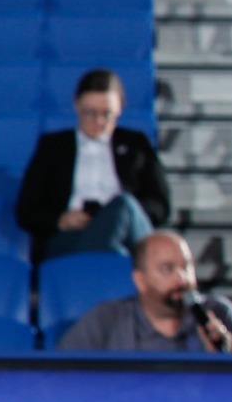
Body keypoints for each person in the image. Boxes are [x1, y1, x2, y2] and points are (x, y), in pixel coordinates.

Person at [16, 68, 168, 260]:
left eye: (107, 114)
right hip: (72, 237)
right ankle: (118, 262)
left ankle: (111, 256)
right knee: (126, 255)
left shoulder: (136, 144)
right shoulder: (53, 147)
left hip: (128, 236)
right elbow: (26, 211)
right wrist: (61, 220)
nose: (98, 121)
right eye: (90, 112)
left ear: (120, 107)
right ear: (77, 105)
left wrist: (118, 217)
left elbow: (160, 204)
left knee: (124, 205)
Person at [57, 232, 232, 352]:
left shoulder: (220, 315)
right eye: (167, 269)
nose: (182, 278)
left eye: (186, 267)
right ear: (140, 280)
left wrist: (224, 360)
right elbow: (58, 379)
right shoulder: (106, 320)